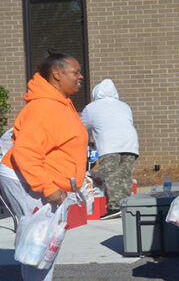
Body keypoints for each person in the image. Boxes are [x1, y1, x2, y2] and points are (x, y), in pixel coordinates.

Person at [0, 50, 88, 281]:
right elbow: (26, 152)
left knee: (45, 240)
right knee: (39, 239)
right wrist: (48, 188)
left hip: (40, 178)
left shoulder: (60, 103)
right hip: (24, 178)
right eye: (75, 72)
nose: (81, 77)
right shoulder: (43, 107)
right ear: (57, 74)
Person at [81, 79, 138, 220]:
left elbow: (81, 130)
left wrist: (87, 143)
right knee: (125, 177)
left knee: (111, 176)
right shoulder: (124, 106)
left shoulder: (91, 108)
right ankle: (126, 206)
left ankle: (115, 207)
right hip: (130, 143)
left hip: (109, 145)